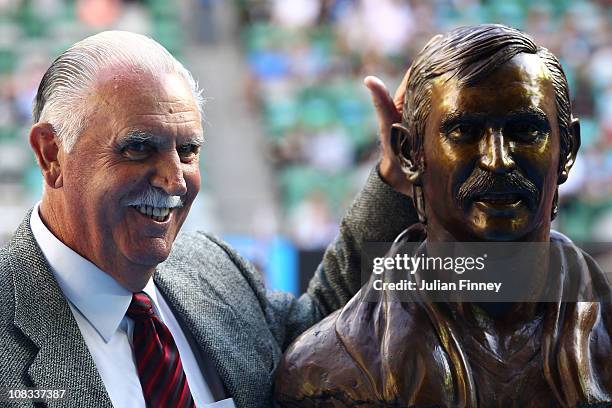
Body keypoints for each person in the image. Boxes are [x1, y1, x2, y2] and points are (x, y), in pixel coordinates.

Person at [0, 31, 418, 408]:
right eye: (139, 148)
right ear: (51, 154)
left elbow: (328, 332)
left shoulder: (216, 270)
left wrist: (395, 182)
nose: (174, 180)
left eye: (187, 150)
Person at [274, 24, 612, 406]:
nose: (497, 160)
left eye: (525, 130)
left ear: (569, 149)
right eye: (464, 131)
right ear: (407, 153)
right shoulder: (325, 373)